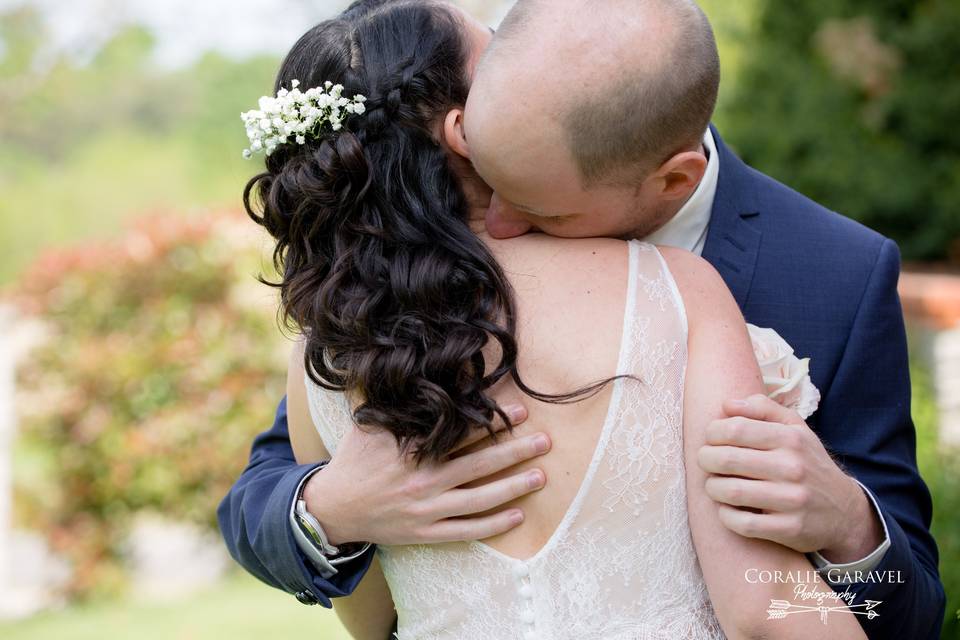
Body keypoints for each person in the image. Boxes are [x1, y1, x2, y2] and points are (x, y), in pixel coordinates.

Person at [217, 1, 944, 638]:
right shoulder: (363, 322)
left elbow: (908, 612)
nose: (501, 225)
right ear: (452, 137)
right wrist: (325, 513)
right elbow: (765, 609)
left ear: (673, 179)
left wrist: (851, 525)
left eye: (539, 207)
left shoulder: (835, 273)